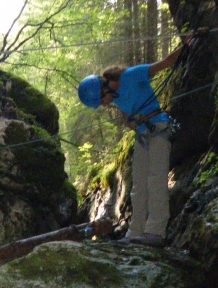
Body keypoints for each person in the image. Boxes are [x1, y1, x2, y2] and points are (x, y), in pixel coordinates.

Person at [77, 43, 184, 247]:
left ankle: (156, 232)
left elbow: (166, 62)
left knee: (156, 180)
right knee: (139, 185)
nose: (103, 105)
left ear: (104, 87)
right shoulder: (115, 97)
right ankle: (135, 232)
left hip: (159, 128)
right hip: (143, 134)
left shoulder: (132, 75)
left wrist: (187, 43)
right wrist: (129, 122)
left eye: (101, 100)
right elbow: (126, 116)